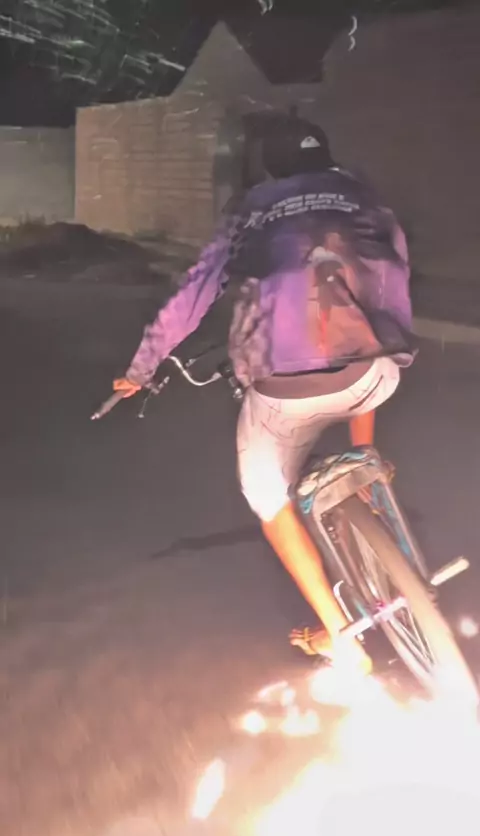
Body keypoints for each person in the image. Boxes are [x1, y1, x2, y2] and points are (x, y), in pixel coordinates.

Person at [113, 114, 415, 675]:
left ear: (269, 168)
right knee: (368, 359)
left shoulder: (251, 208)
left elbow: (195, 292)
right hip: (372, 374)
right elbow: (393, 273)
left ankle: (340, 637)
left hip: (285, 388)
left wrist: (142, 366)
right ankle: (365, 462)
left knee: (266, 494)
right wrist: (397, 346)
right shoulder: (365, 197)